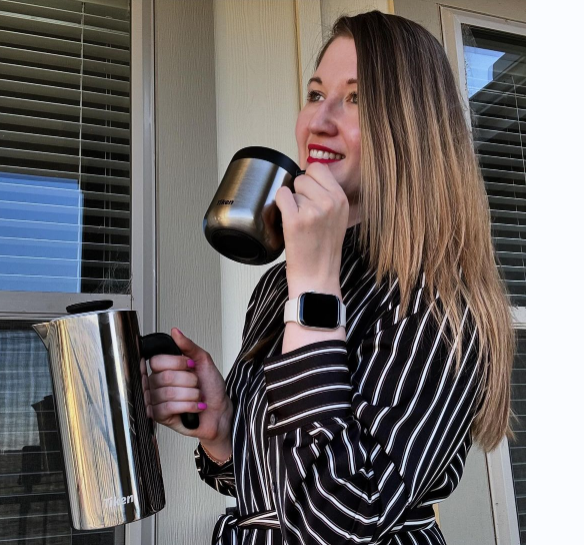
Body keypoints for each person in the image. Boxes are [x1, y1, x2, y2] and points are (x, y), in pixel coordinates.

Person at [144, 11, 514, 545]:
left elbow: (336, 523)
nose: (319, 120)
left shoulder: (439, 304)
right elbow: (274, 487)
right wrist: (222, 429)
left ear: (413, 127)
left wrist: (314, 289)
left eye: (357, 98)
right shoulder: (281, 284)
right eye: (316, 94)